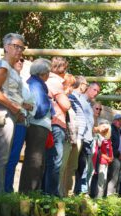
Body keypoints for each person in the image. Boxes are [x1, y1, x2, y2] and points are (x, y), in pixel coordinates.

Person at [0, 33, 26, 193]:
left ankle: (1, 191)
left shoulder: (11, 68)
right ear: (6, 47)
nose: (19, 50)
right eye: (16, 46)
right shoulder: (3, 66)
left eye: (21, 47)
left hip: (11, 113)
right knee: (2, 154)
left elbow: (13, 93)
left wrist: (20, 108)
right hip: (3, 112)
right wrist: (13, 107)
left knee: (6, 155)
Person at [19, 58, 55, 193]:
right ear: (43, 73)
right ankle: (29, 192)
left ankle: (33, 191)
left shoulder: (37, 84)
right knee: (35, 160)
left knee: (38, 160)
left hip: (40, 126)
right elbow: (39, 108)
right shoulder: (36, 85)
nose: (49, 75)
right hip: (38, 126)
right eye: (48, 72)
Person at [4, 58, 35, 193]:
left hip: (22, 121)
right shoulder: (5, 74)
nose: (20, 62)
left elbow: (31, 104)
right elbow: (6, 96)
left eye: (22, 60)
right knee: (5, 155)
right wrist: (22, 107)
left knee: (15, 156)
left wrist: (25, 107)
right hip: (10, 118)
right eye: (17, 59)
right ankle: (3, 188)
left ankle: (8, 188)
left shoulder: (24, 82)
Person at [43, 59, 73, 196]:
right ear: (62, 70)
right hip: (56, 124)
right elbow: (66, 105)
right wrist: (66, 94)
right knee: (56, 160)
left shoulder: (47, 80)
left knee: (50, 160)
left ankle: (47, 191)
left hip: (51, 123)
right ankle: (52, 193)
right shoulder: (55, 82)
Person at [60, 76, 88, 197]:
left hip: (77, 136)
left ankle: (67, 193)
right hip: (70, 136)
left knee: (72, 166)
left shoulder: (79, 98)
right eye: (86, 85)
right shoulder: (69, 96)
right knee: (64, 165)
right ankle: (61, 193)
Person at [74, 82, 101, 195]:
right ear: (87, 88)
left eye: (97, 92)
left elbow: (90, 127)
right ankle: (78, 192)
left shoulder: (89, 105)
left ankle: (81, 192)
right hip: (80, 138)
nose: (95, 93)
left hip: (88, 140)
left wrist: (98, 129)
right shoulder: (78, 99)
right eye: (94, 90)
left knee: (84, 168)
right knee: (78, 167)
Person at [91, 120, 113, 198]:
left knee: (103, 180)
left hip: (106, 162)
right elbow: (100, 151)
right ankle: (96, 197)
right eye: (104, 127)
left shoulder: (108, 139)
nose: (105, 129)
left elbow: (110, 150)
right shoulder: (97, 136)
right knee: (99, 180)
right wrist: (108, 158)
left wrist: (111, 158)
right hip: (99, 161)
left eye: (107, 128)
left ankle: (100, 198)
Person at [106, 114, 121, 196]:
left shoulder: (120, 131)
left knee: (119, 178)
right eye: (118, 120)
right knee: (114, 177)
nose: (120, 122)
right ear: (114, 120)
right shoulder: (111, 129)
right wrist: (118, 153)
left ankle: (115, 195)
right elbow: (110, 144)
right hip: (114, 157)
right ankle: (109, 195)